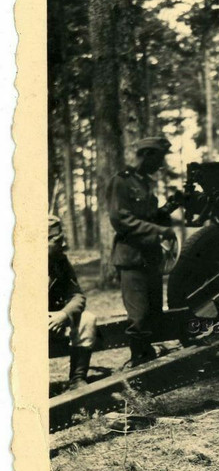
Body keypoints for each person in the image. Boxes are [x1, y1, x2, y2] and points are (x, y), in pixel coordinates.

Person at [107, 136, 176, 368]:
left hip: (150, 259)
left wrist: (169, 208)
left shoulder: (144, 183)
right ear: (147, 155)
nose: (162, 165)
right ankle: (139, 365)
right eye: (159, 158)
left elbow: (149, 217)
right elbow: (122, 220)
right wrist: (160, 230)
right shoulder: (122, 182)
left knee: (154, 314)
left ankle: (150, 361)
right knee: (138, 318)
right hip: (132, 260)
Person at [48, 215, 97, 389]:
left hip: (53, 321)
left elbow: (77, 295)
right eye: (57, 240)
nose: (63, 244)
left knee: (87, 319)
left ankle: (76, 379)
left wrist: (63, 314)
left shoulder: (59, 262)